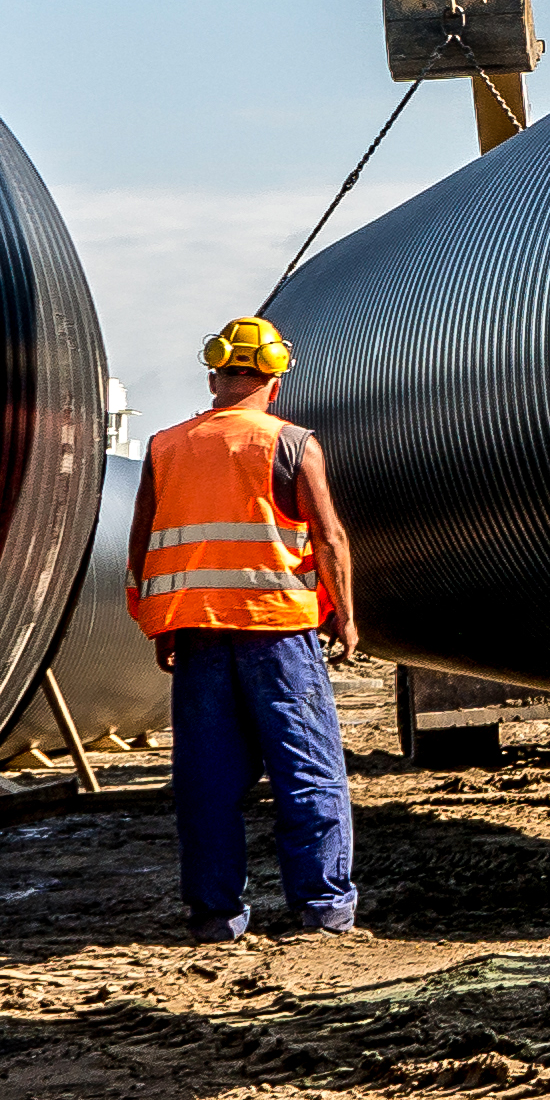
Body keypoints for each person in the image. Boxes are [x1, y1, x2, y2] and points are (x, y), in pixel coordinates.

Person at [126, 315, 364, 941]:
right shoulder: (291, 443)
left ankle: (214, 916)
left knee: (207, 779)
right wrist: (346, 615)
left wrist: (159, 624)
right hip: (278, 632)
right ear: (275, 380)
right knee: (307, 770)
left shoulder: (165, 446)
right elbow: (329, 536)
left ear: (215, 376)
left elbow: (143, 546)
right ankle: (323, 911)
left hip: (199, 636)